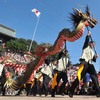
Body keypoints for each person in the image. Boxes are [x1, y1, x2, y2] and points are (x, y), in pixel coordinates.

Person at [68, 31, 100, 98]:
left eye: (94, 44)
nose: (93, 45)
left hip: (90, 65)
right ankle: (71, 90)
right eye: (92, 43)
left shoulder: (92, 51)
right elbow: (86, 42)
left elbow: (93, 60)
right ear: (90, 43)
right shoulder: (85, 47)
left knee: (95, 77)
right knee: (79, 77)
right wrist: (88, 36)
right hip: (84, 63)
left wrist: (95, 57)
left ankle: (98, 92)